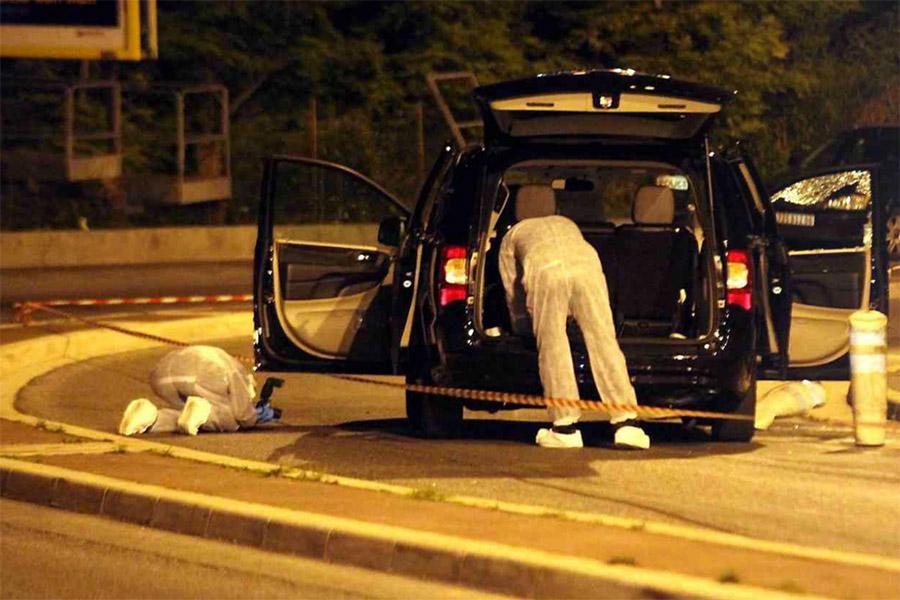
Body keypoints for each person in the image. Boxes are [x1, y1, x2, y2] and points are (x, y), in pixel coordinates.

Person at [499, 185, 649, 449]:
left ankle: (565, 427)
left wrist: (521, 325)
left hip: (546, 272)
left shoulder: (512, 235)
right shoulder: (566, 223)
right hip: (588, 269)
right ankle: (627, 424)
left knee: (553, 344)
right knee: (604, 341)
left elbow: (513, 291)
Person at [118, 345, 280, 436]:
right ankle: (203, 413)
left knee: (183, 414)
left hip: (161, 377)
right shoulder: (238, 373)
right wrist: (257, 416)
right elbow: (243, 416)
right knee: (228, 419)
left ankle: (149, 417)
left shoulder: (222, 357)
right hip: (199, 375)